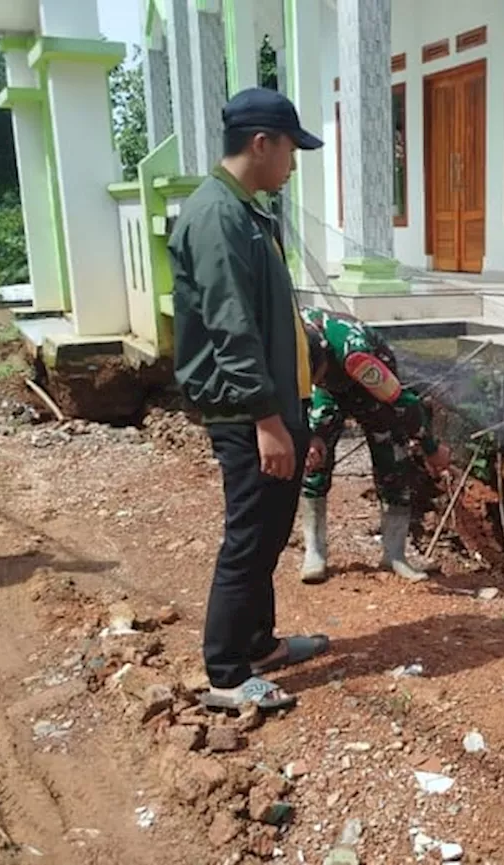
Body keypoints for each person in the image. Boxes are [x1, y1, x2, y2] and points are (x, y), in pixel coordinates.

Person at [169, 88, 330, 713]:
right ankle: (227, 672)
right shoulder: (217, 217)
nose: (292, 162)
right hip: (248, 409)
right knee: (249, 534)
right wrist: (267, 420)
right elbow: (230, 327)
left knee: (269, 532)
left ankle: (258, 643)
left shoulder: (247, 211)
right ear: (262, 143)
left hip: (273, 401)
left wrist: (294, 411)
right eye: (290, 149)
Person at [297, 306, 451, 585]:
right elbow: (293, 398)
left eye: (319, 376)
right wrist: (307, 437)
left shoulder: (357, 357)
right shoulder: (287, 340)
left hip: (367, 389)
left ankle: (394, 555)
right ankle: (315, 552)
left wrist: (430, 448)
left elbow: (404, 404)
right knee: (314, 462)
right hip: (327, 392)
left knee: (392, 460)